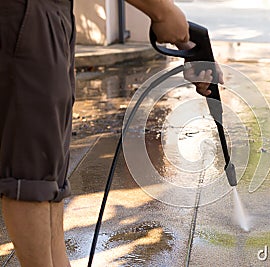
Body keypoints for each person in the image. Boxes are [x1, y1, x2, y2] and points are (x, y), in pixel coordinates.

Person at [0, 0, 218, 266]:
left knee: (49, 172)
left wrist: (185, 41)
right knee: (30, 172)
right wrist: (162, 11)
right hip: (27, 11)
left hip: (49, 11)